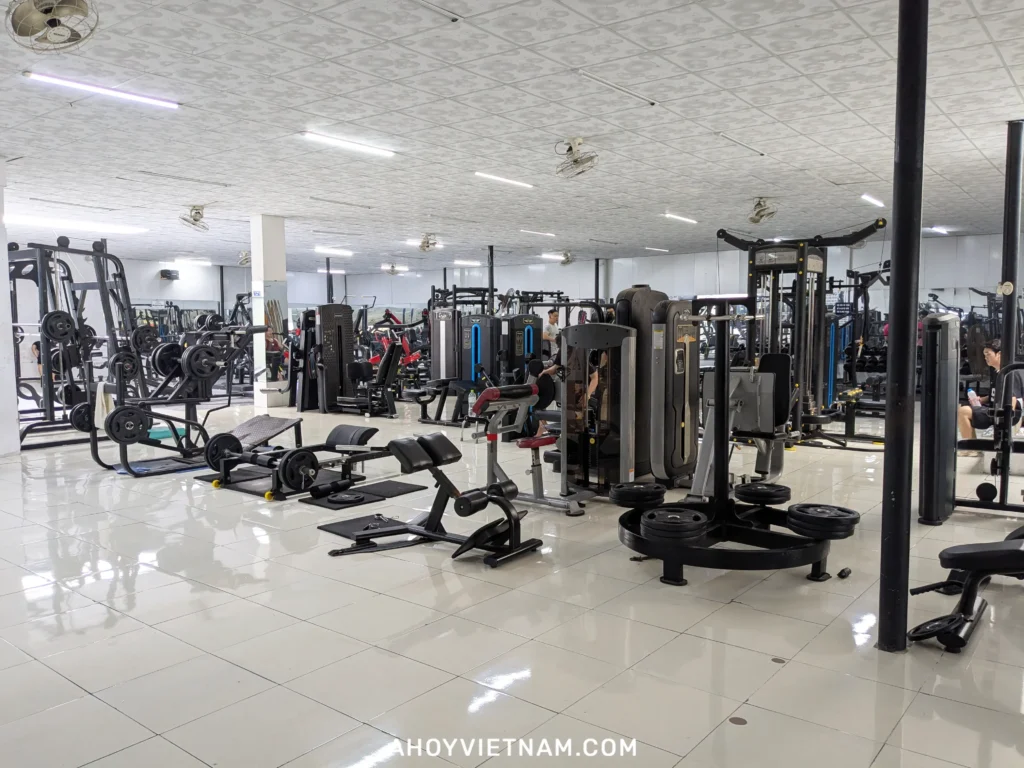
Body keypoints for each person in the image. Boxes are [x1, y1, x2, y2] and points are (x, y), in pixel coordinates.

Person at [958, 340, 1024, 450]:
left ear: (999, 354)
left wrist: (1004, 422)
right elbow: (995, 394)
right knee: (962, 409)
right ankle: (973, 447)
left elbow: (1013, 399)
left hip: (1004, 414)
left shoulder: (1010, 373)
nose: (985, 357)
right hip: (994, 409)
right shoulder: (996, 371)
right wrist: (982, 400)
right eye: (984, 354)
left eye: (988, 354)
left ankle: (971, 449)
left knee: (963, 411)